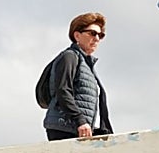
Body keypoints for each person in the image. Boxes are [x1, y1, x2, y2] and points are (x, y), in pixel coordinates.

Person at [43, 12, 113, 141]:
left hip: (80, 129)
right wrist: (80, 121)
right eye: (92, 33)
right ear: (77, 35)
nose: (97, 38)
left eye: (100, 35)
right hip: (65, 128)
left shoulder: (87, 64)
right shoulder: (70, 57)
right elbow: (63, 90)